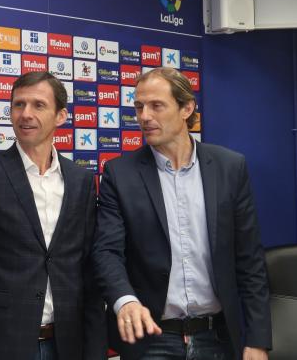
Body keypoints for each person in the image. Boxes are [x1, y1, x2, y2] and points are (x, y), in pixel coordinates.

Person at [92, 68, 271, 360]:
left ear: (186, 108)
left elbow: (250, 260)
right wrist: (124, 301)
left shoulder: (229, 167)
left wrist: (258, 339)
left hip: (218, 337)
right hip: (152, 340)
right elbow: (107, 251)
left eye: (156, 106)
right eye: (139, 107)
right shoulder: (119, 174)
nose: (144, 116)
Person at [0, 71, 106, 360]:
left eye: (38, 105)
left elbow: (88, 273)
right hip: (0, 344)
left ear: (60, 116)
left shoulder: (81, 180)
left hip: (67, 343)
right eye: (18, 105)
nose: (25, 114)